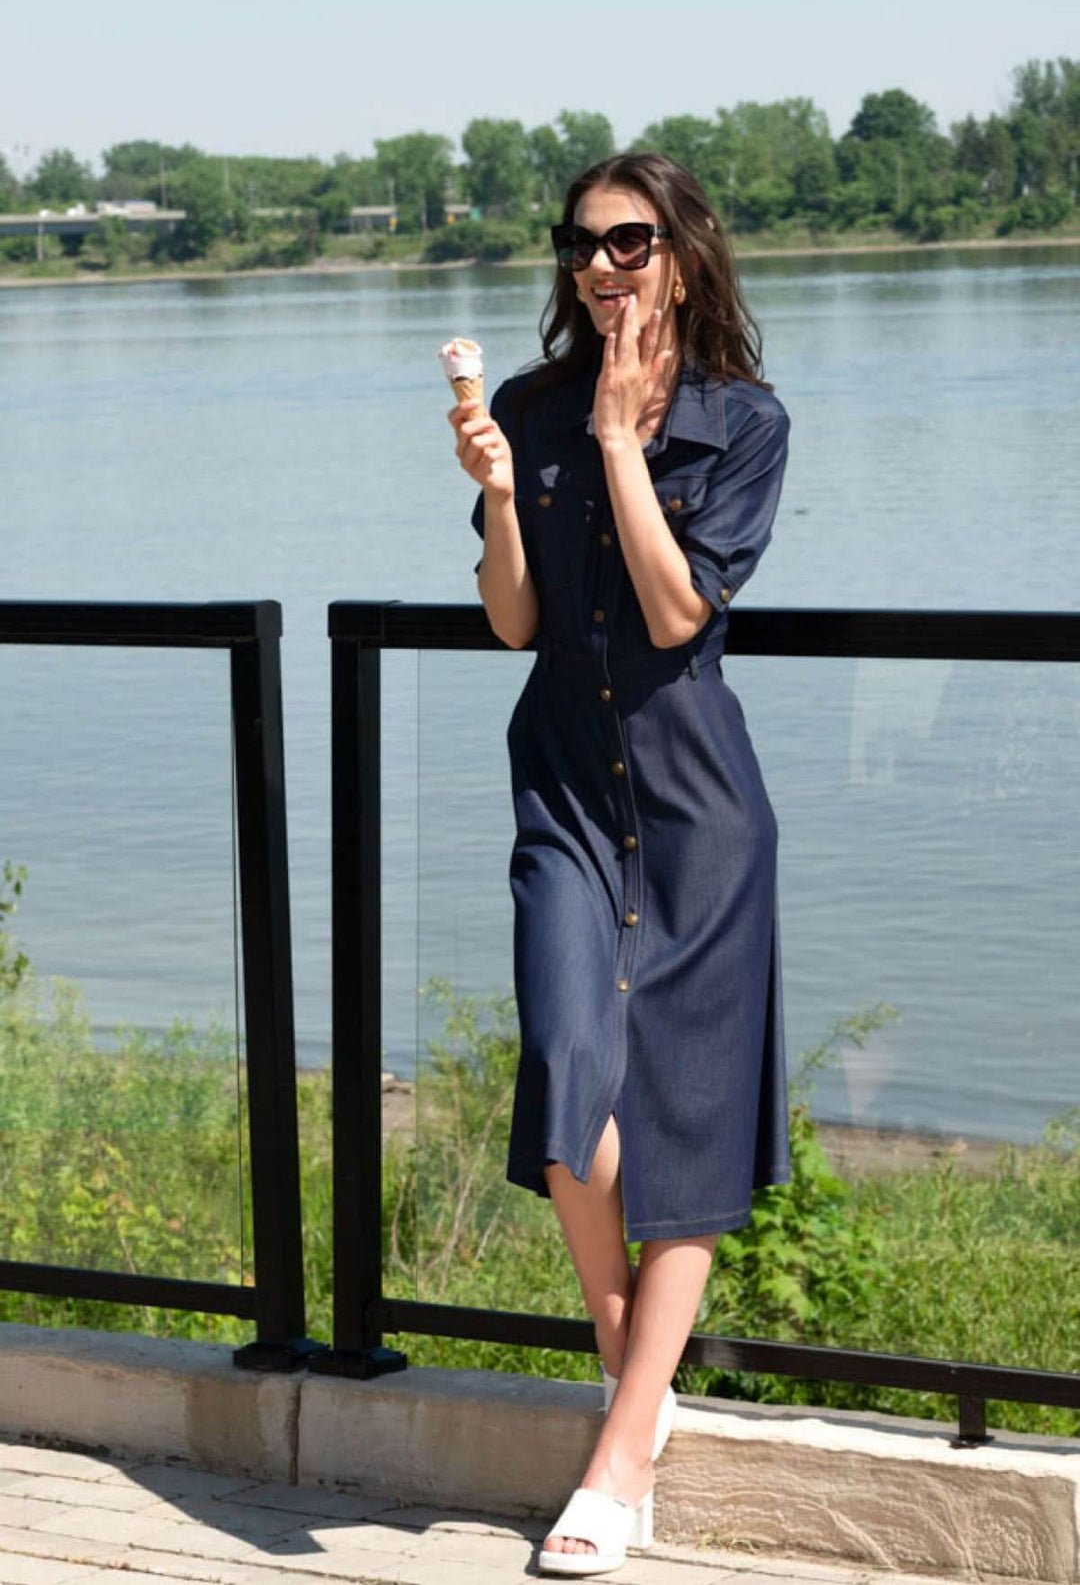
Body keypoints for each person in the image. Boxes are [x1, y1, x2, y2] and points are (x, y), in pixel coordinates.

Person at [447, 151, 793, 1578]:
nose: (603, 266)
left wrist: (614, 442)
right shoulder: (524, 408)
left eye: (631, 242)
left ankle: (615, 1456)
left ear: (682, 254)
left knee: (690, 1135)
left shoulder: (743, 422)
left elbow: (671, 612)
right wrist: (499, 496)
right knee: (570, 1089)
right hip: (566, 801)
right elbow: (516, 626)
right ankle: (632, 1402)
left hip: (701, 808)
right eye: (584, 244)